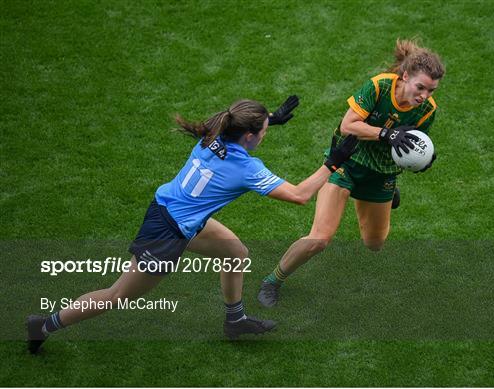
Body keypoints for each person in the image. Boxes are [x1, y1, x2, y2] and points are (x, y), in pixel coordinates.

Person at [27, 97, 359, 353]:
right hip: (168, 232)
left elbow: (239, 127)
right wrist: (335, 161)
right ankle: (43, 326)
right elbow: (301, 195)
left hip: (175, 210)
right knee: (118, 294)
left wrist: (270, 118)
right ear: (248, 135)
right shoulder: (246, 168)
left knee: (235, 252)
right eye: (264, 131)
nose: (265, 135)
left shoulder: (213, 132)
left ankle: (235, 321)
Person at [258, 39, 446, 307]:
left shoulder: (428, 110)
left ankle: (390, 192)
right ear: (405, 76)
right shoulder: (379, 87)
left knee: (374, 244)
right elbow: (348, 126)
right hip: (345, 162)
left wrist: (423, 158)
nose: (424, 96)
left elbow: (414, 144)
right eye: (420, 87)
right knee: (319, 239)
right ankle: (272, 280)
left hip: (381, 175)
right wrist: (385, 133)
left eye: (431, 90)